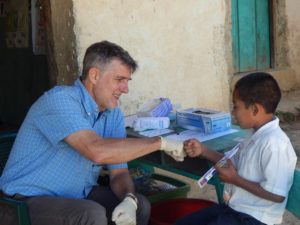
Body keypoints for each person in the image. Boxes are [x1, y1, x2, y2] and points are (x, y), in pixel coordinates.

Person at [0, 41, 186, 225]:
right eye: (119, 80)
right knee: (91, 214)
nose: (125, 89)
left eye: (127, 82)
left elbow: (119, 173)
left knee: (141, 205)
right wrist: (160, 143)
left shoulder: (112, 112)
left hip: (76, 195)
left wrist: (129, 199)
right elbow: (96, 150)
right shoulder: (60, 100)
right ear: (94, 75)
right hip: (20, 201)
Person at [175, 72, 297, 225]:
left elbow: (277, 195)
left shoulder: (275, 144)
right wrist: (204, 150)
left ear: (254, 109)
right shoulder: (254, 133)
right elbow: (232, 163)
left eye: (236, 106)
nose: (233, 112)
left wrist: (235, 180)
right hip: (236, 210)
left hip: (255, 218)